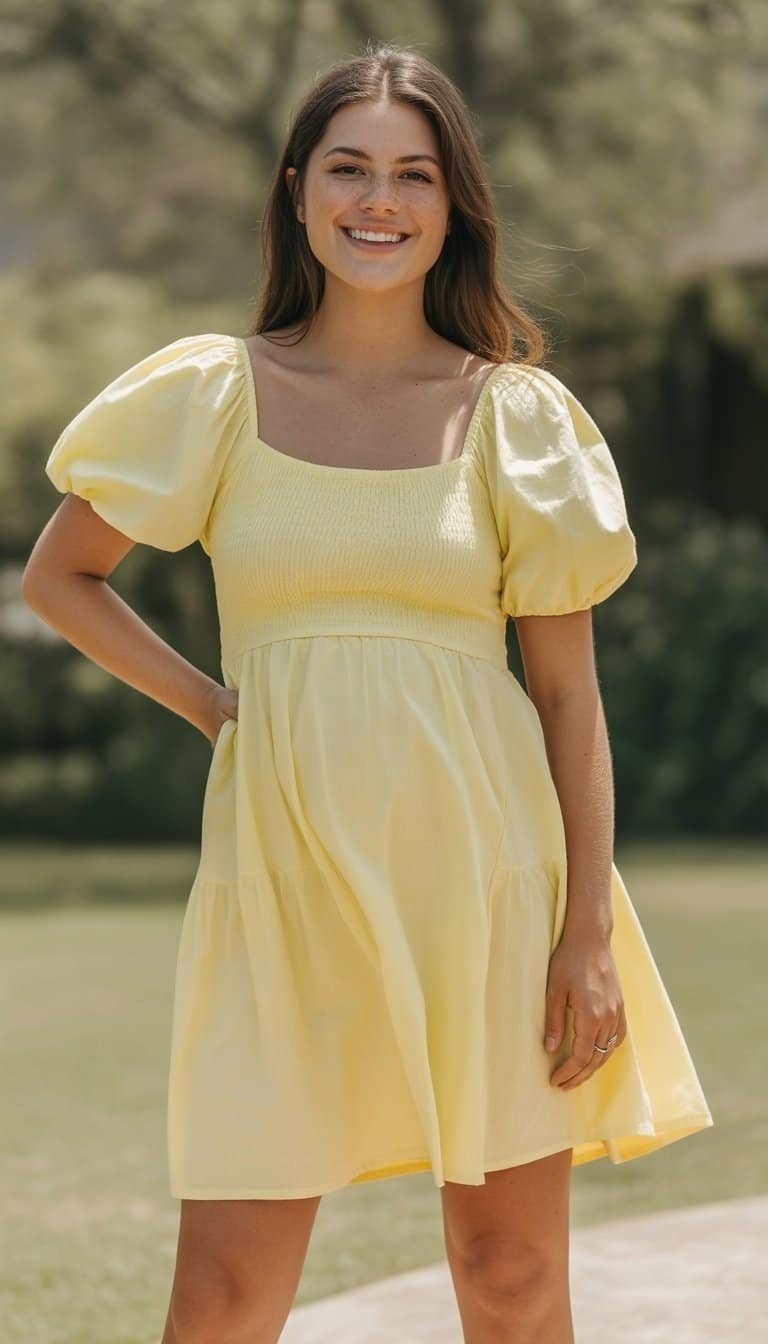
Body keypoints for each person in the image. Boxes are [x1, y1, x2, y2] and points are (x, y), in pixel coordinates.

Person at [24, 40, 713, 1344]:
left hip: (491, 885)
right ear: (298, 191)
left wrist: (587, 939)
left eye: (414, 174)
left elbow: (568, 700)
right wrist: (215, 709)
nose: (379, 200)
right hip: (279, 885)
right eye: (350, 168)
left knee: (511, 1284)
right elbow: (67, 578)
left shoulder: (515, 418)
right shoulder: (216, 395)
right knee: (224, 1298)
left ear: (453, 207)